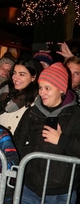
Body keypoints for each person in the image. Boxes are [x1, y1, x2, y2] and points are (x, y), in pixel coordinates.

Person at [13, 62, 80, 204]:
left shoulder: (76, 115)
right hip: (29, 188)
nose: (41, 92)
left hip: (61, 193)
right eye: (40, 87)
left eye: (47, 88)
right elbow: (16, 143)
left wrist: (62, 140)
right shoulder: (32, 112)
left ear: (61, 89)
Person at [0, 58, 43, 135]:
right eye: (14, 73)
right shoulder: (2, 90)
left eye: (21, 74)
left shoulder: (37, 100)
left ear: (33, 77)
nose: (15, 78)